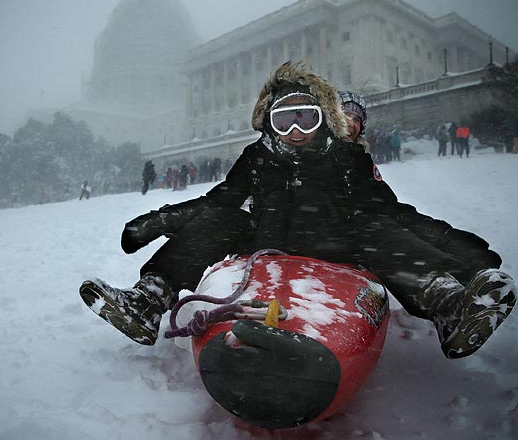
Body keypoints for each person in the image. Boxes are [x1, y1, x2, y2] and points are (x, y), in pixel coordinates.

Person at [79, 61, 515, 360]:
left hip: (337, 242)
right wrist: (158, 220)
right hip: (271, 238)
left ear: (323, 118)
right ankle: (149, 300)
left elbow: (397, 214)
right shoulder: (258, 155)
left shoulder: (347, 158)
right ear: (268, 123)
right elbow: (219, 201)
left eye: (305, 118)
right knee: (224, 219)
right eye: (283, 120)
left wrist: (464, 255)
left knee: (376, 225)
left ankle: (446, 301)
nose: (294, 132)